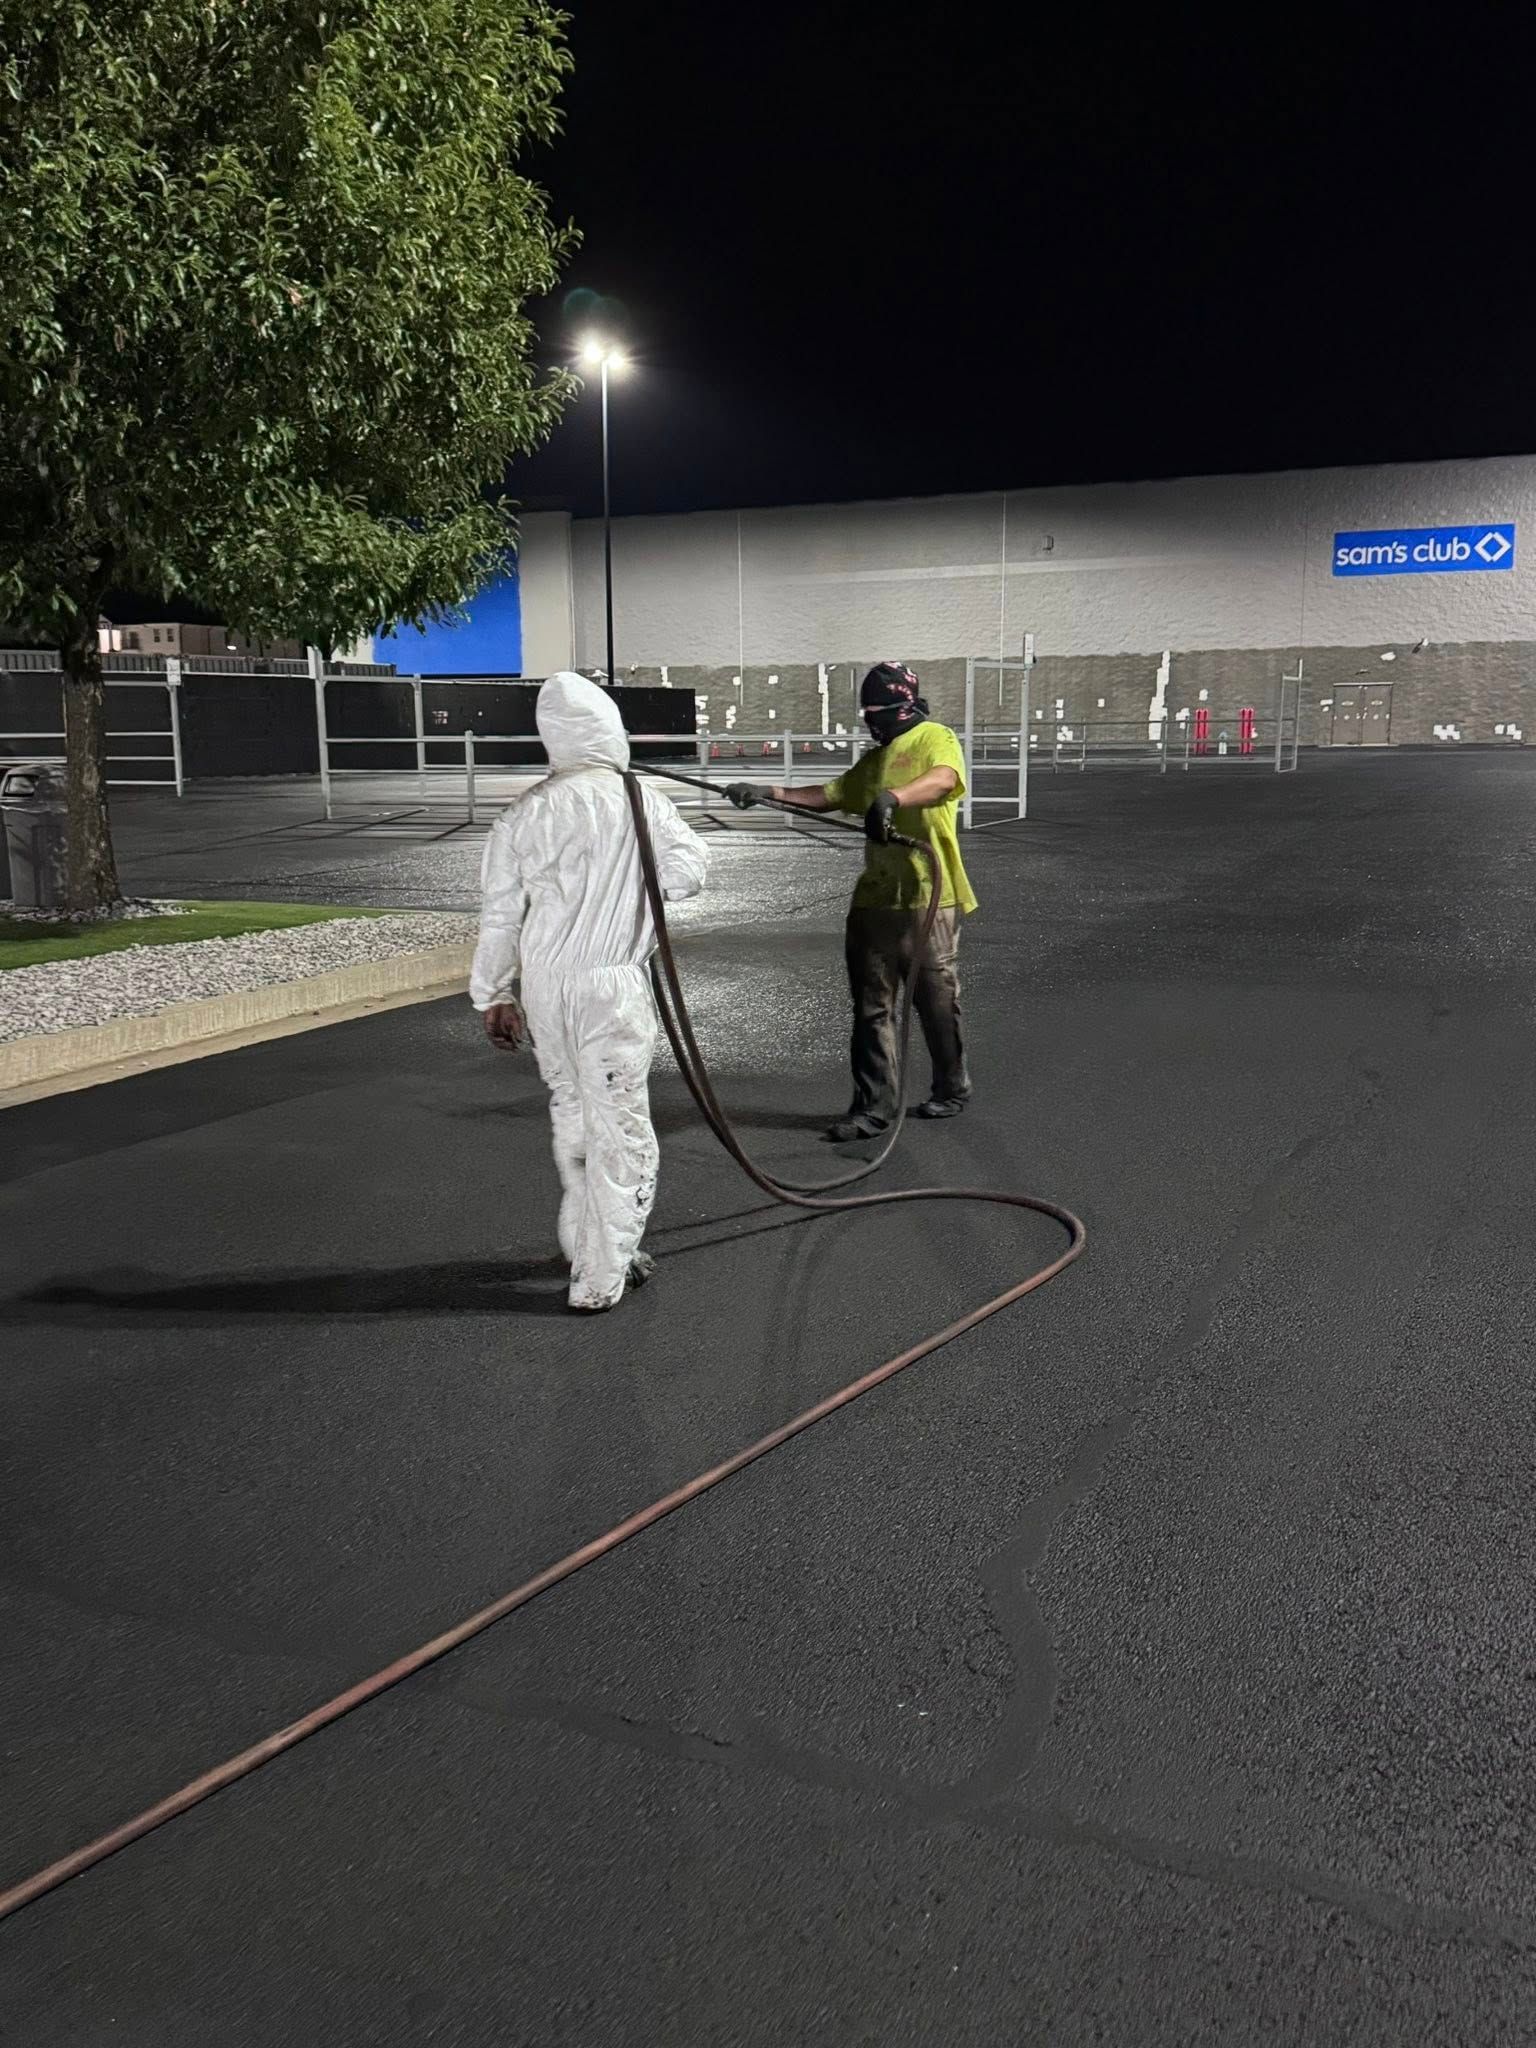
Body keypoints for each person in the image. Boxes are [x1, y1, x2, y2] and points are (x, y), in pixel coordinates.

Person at [471, 671, 709, 1312]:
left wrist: (492, 994)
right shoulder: (639, 801)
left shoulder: (523, 814)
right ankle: (602, 1276)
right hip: (610, 987)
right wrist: (645, 887)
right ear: (610, 731)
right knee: (621, 1127)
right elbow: (690, 867)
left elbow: (499, 915)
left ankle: (588, 1244)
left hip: (545, 989)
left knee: (573, 1113)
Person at [727, 661, 977, 1142]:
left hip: (928, 895)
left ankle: (951, 1085)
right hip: (876, 899)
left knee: (935, 1001)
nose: (871, 723)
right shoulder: (873, 760)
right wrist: (768, 792)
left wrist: (894, 799)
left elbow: (944, 779)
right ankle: (873, 1107)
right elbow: (831, 794)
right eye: (867, 714)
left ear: (904, 707)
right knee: (872, 1007)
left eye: (877, 713)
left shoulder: (934, 738)